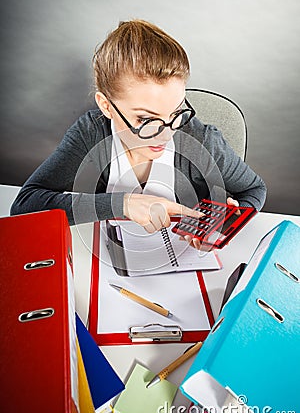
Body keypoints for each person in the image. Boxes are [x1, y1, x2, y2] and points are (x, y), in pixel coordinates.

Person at [10, 19, 266, 249]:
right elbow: (24, 206)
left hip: (189, 267)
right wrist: (121, 204)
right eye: (145, 119)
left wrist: (226, 222)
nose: (165, 136)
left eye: (175, 113)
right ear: (107, 106)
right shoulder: (90, 135)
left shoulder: (201, 140)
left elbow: (254, 189)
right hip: (109, 261)